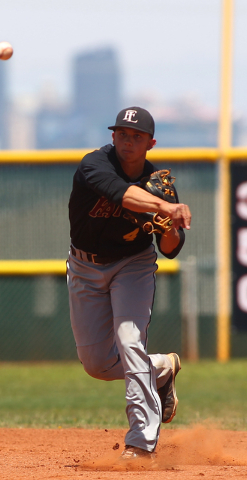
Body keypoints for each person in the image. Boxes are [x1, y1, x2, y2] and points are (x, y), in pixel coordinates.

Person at [66, 106, 191, 460]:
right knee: (97, 364)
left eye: (137, 137)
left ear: (150, 143)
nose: (128, 141)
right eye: (123, 134)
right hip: (84, 266)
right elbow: (121, 194)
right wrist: (163, 208)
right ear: (113, 137)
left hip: (132, 266)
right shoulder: (94, 164)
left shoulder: (159, 184)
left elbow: (170, 250)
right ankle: (162, 369)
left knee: (129, 340)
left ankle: (140, 443)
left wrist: (167, 227)